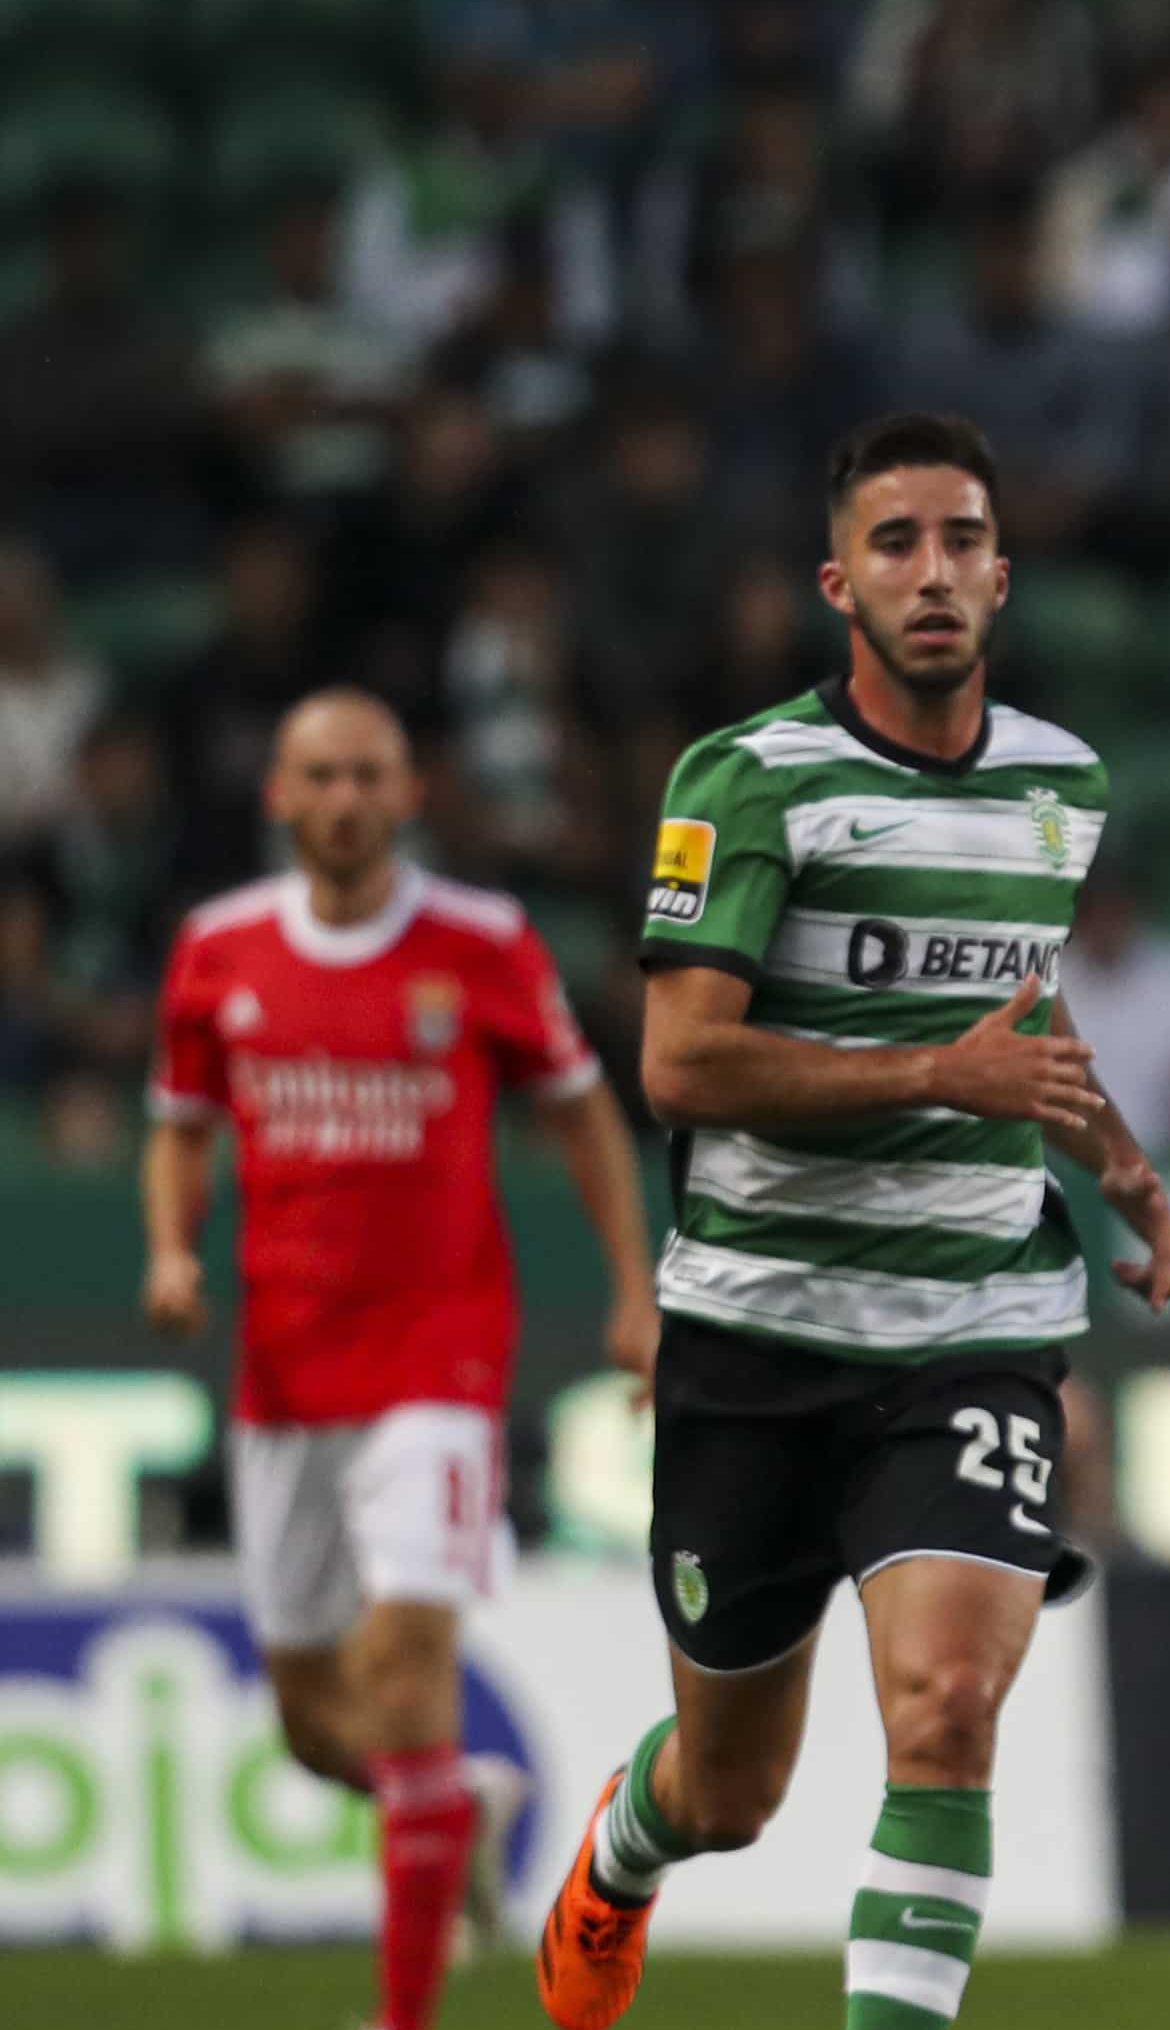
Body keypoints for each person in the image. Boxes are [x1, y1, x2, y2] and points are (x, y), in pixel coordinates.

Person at [535, 414, 1170, 2030]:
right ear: (841, 582)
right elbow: (678, 1062)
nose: (934, 572)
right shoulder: (751, 780)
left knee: (950, 1706)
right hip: (756, 1338)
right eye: (897, 543)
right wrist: (943, 1071)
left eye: (963, 539)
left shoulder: (1063, 783)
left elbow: (1016, 1008)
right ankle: (625, 1851)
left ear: (1003, 575)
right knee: (729, 1789)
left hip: (972, 1327)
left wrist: (1115, 1154)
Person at [142, 687, 658, 2030]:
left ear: (412, 791)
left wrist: (631, 1287)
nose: (348, 799)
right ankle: (453, 1805)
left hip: (438, 1359)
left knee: (410, 1655)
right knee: (318, 1722)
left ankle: (404, 2014)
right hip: (284, 1374)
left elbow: (583, 1111)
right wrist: (168, 1247)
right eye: (322, 775)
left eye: (371, 774)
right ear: (279, 794)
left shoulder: (480, 941)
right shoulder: (217, 949)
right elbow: (181, 1122)